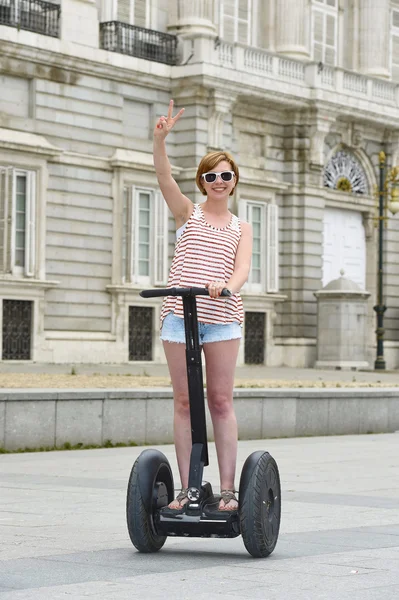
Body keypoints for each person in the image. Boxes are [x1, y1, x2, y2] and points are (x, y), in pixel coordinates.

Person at [154, 100, 253, 511]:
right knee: (183, 401)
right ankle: (186, 489)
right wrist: (159, 141)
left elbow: (243, 269)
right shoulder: (187, 214)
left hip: (222, 321)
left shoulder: (240, 226)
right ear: (202, 181)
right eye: (210, 175)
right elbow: (164, 179)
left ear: (233, 181)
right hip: (179, 317)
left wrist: (225, 285)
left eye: (225, 175)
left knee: (220, 401)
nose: (218, 180)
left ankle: (228, 490)